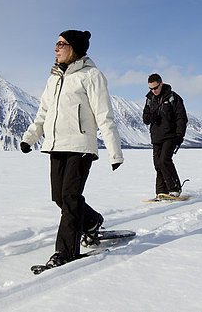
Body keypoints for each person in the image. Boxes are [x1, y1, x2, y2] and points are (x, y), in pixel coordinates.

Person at [20, 29, 123, 267]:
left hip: (81, 146)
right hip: (56, 145)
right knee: (59, 197)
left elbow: (104, 114)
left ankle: (65, 252)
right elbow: (43, 113)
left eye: (60, 44)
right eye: (56, 44)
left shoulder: (91, 75)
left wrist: (114, 152)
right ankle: (92, 221)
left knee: (69, 197)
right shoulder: (53, 78)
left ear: (73, 48)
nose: (55, 48)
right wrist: (31, 137)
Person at [142, 73, 188, 197]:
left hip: (171, 136)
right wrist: (151, 117)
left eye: (155, 88)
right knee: (157, 164)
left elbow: (181, 118)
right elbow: (145, 118)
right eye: (151, 88)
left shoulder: (174, 98)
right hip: (156, 137)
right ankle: (161, 191)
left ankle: (175, 189)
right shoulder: (149, 99)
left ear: (161, 84)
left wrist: (180, 135)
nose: (153, 91)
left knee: (164, 161)